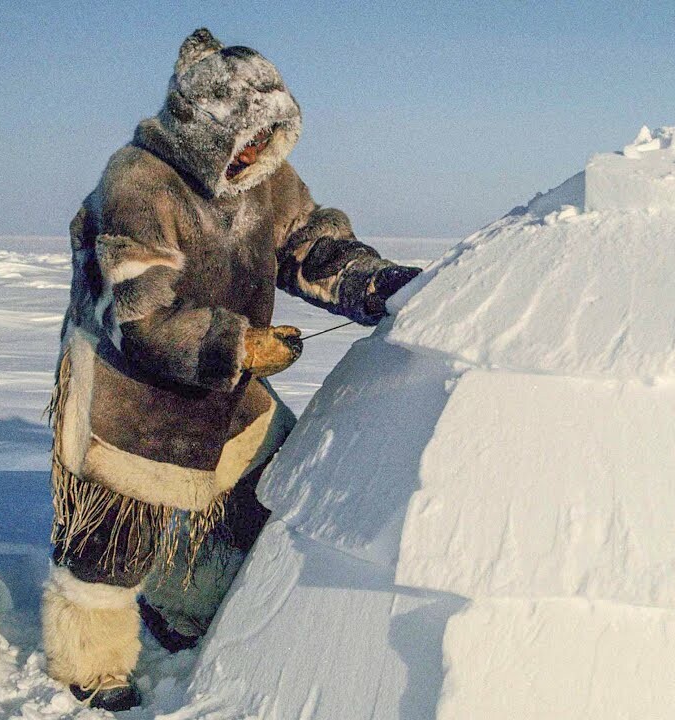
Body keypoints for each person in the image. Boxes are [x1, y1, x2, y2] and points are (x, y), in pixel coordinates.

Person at [43, 28, 420, 711]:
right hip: (133, 399)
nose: (257, 152)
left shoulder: (267, 184)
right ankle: (91, 663)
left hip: (227, 397)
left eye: (270, 136)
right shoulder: (135, 182)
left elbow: (312, 243)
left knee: (271, 491)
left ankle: (189, 604)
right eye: (247, 135)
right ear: (202, 127)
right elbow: (138, 314)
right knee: (114, 540)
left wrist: (374, 282)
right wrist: (240, 348)